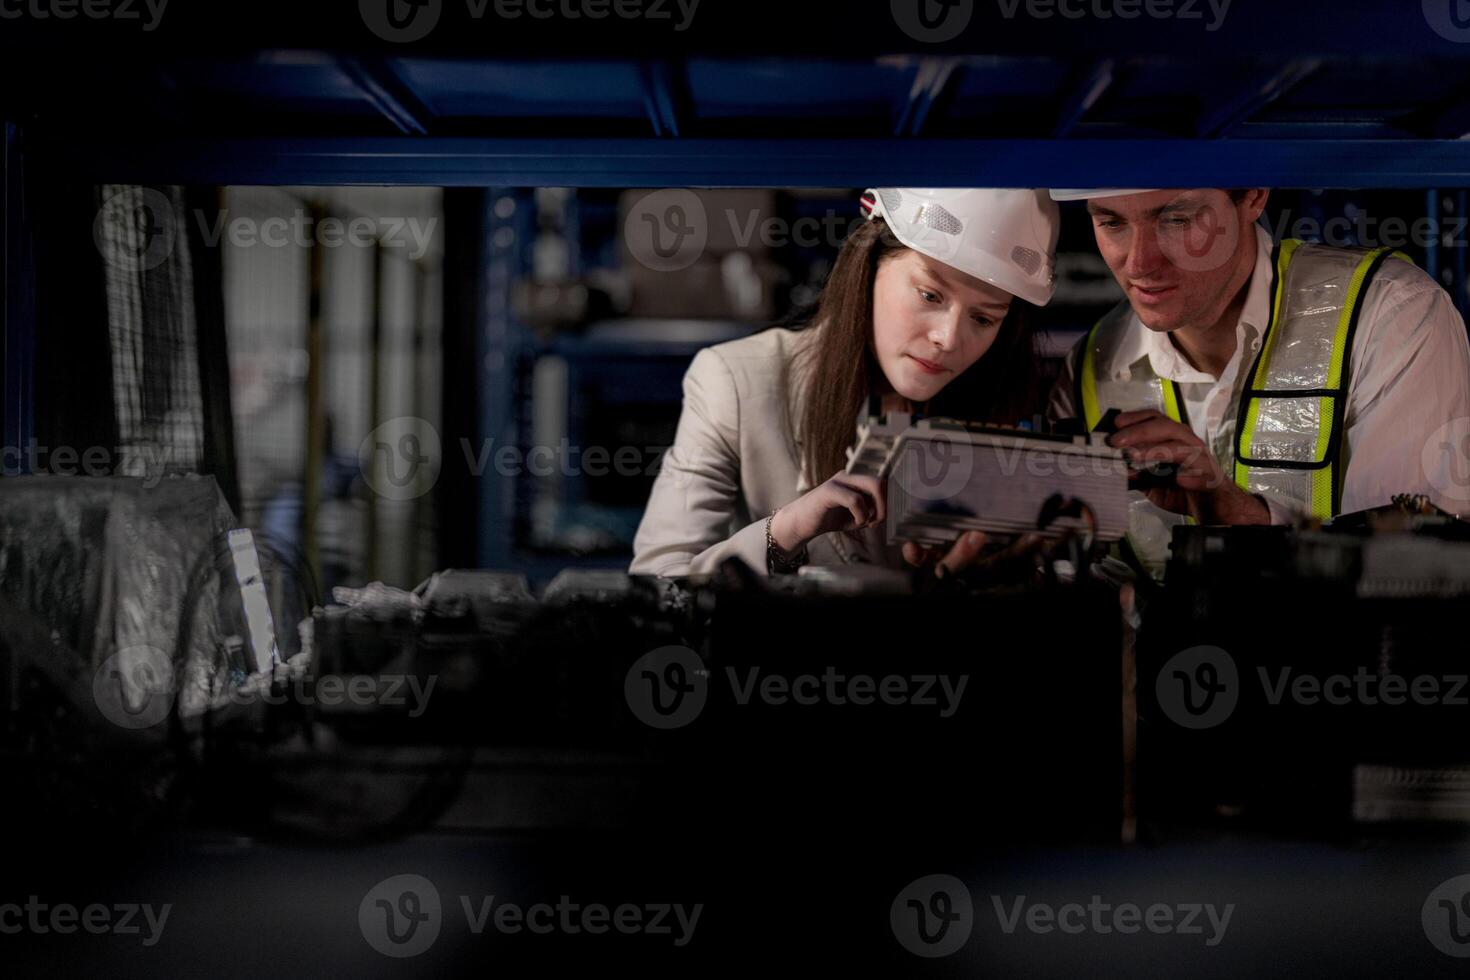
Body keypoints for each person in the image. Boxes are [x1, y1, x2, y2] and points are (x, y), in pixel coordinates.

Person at [630, 188, 1061, 578]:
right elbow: (658, 581)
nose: (947, 339)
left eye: (983, 318)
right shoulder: (736, 381)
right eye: (930, 296)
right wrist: (788, 530)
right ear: (868, 265)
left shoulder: (1011, 405)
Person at [1045, 187, 1470, 572]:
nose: (1138, 262)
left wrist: (1243, 522)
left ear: (1253, 194)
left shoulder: (1390, 313)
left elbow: (1418, 573)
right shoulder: (1090, 364)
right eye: (1111, 222)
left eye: (1176, 219)